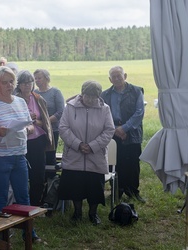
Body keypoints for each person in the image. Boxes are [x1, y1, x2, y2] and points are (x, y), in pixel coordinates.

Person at [0, 66, 41, 243]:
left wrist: (29, 129)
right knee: (0, 196)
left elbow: (30, 125)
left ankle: (29, 233)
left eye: (11, 82)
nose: (9, 85)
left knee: (23, 195)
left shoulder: (20, 102)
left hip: (20, 154)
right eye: (5, 82)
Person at [57, 80, 115, 225]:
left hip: (95, 155)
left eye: (93, 97)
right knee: (75, 184)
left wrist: (93, 146)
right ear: (81, 94)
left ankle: (93, 213)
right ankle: (77, 212)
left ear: (98, 96)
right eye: (87, 96)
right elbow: (63, 128)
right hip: (74, 154)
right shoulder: (70, 107)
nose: (89, 100)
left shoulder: (105, 109)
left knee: (94, 186)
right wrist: (78, 144)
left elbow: (109, 130)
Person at [101, 66, 145, 203]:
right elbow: (102, 114)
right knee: (115, 162)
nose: (116, 78)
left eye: (119, 76)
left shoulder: (136, 91)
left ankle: (133, 191)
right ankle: (117, 191)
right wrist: (115, 129)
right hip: (113, 134)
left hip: (132, 133)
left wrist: (124, 129)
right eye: (113, 77)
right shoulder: (105, 95)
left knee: (133, 162)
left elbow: (139, 113)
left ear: (125, 76)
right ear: (109, 79)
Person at [14, 70, 54, 206]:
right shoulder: (14, 99)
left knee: (38, 173)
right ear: (18, 85)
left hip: (38, 140)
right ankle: (22, 203)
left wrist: (35, 121)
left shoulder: (38, 98)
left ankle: (35, 203)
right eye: (24, 83)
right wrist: (25, 119)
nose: (27, 85)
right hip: (20, 141)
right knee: (22, 174)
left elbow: (45, 123)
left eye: (30, 82)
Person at [34, 69, 64, 165]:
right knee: (38, 157)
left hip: (52, 130)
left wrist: (45, 122)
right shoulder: (34, 93)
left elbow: (60, 111)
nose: (37, 80)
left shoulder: (55, 92)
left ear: (47, 78)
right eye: (35, 79)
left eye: (39, 78)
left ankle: (51, 178)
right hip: (37, 131)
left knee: (50, 157)